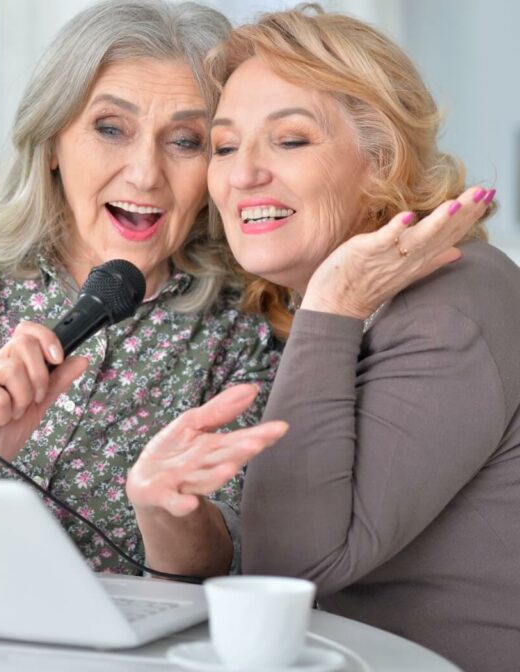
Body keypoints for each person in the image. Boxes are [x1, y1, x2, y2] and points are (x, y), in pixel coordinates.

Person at [0, 0, 290, 579]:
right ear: (51, 143)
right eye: (111, 129)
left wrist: (167, 508)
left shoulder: (246, 312)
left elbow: (226, 560)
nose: (145, 173)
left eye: (186, 141)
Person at [200, 6, 516, 670]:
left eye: (290, 140)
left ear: (380, 160)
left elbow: (288, 570)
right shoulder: (312, 307)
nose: (242, 173)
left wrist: (333, 303)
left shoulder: (453, 302)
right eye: (224, 147)